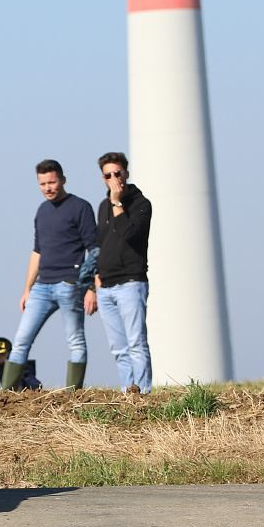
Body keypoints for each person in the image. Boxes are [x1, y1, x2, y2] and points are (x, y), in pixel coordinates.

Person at [1, 160, 97, 390]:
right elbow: (37, 252)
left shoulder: (80, 207)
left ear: (63, 179)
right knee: (21, 340)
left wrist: (91, 288)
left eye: (52, 182)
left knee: (75, 341)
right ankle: (4, 396)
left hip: (70, 284)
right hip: (42, 287)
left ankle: (73, 395)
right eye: (42, 183)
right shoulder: (42, 211)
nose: (48, 188)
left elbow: (94, 250)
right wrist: (26, 289)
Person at [89, 152, 154, 393]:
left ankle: (144, 392)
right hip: (105, 286)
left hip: (131, 282)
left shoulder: (141, 204)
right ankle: (129, 392)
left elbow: (129, 235)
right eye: (109, 175)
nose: (114, 178)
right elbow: (101, 245)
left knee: (136, 342)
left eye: (118, 173)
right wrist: (93, 283)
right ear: (103, 178)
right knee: (118, 347)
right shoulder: (103, 206)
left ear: (126, 172)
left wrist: (117, 203)